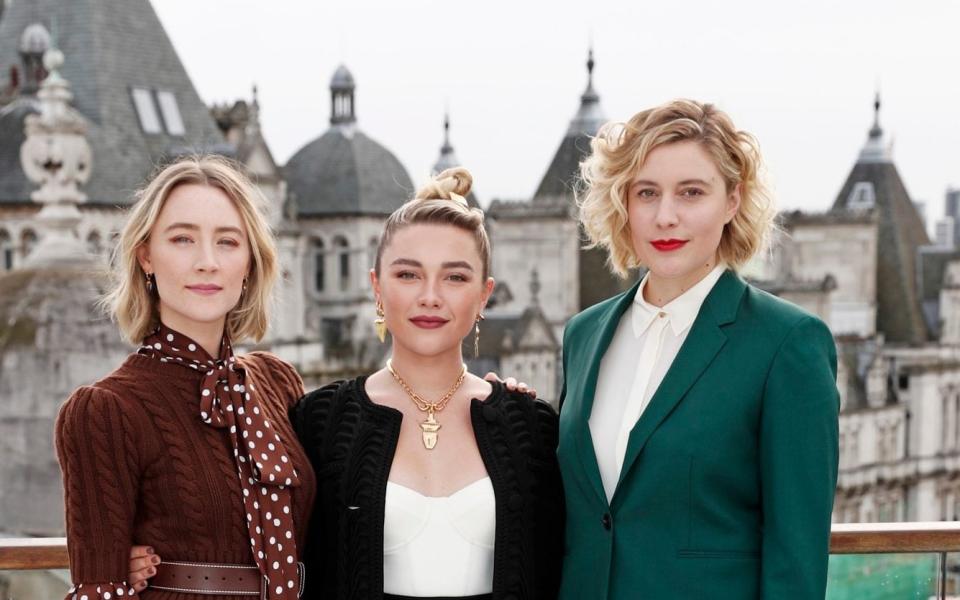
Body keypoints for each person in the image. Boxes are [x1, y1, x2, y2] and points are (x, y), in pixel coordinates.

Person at [557, 99, 840, 599]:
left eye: (691, 193)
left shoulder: (787, 344)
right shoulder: (584, 334)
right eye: (647, 193)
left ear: (732, 200)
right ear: (623, 202)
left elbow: (795, 557)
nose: (666, 217)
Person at [290, 167, 565, 600]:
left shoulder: (532, 426)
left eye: (455, 277)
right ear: (377, 287)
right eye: (408, 275)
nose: (430, 296)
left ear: (484, 295)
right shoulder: (319, 423)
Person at [55, 156, 315, 599]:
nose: (207, 262)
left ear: (250, 262)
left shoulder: (277, 383)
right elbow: (100, 588)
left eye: (228, 242)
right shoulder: (106, 411)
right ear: (146, 256)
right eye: (182, 239)